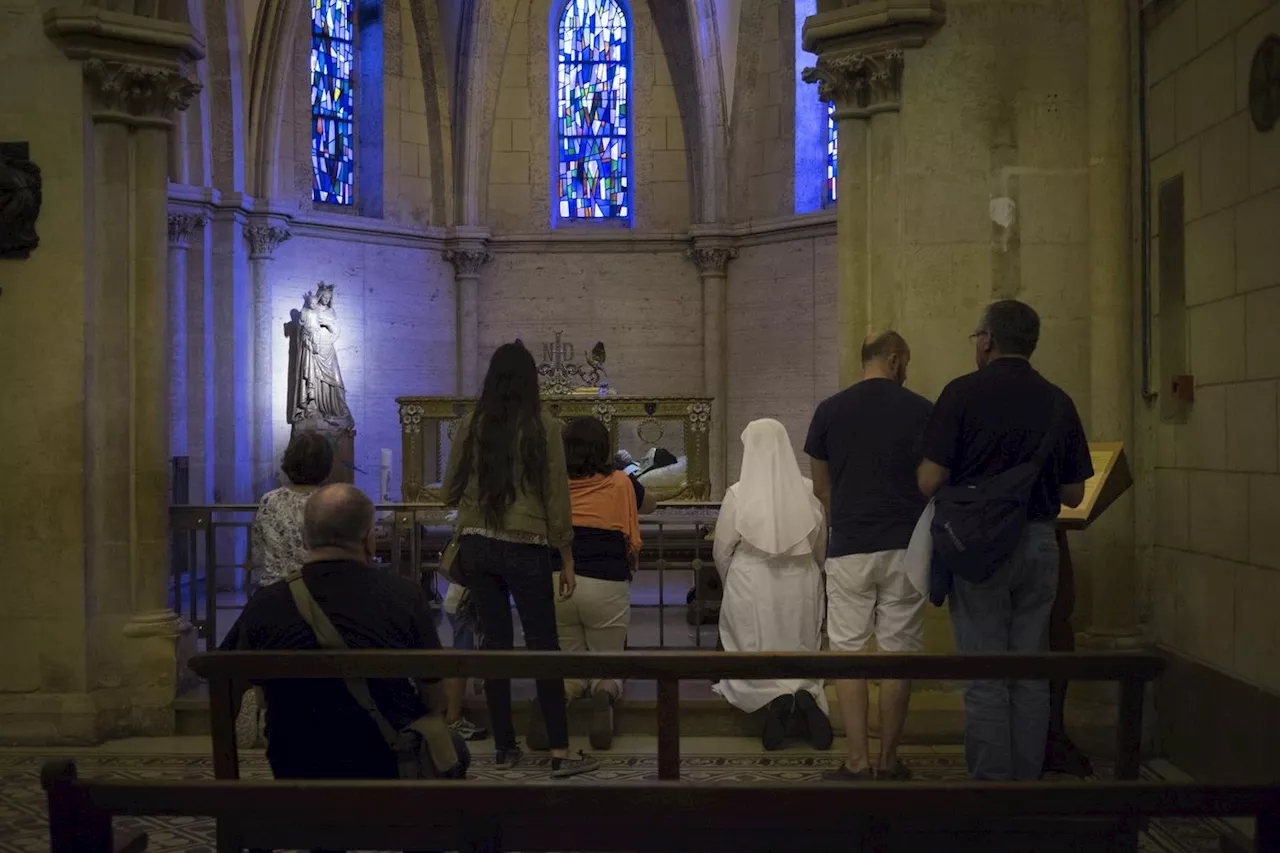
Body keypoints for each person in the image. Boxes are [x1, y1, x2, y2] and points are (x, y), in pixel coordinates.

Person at [918, 300, 1093, 782]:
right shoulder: (1058, 400)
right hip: (1040, 541)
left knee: (985, 672)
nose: (976, 343)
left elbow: (930, 480)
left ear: (989, 339)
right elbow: (1075, 493)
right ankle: (1027, 787)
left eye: (977, 335)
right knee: (1031, 671)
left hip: (979, 549)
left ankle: (994, 793)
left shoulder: (961, 394)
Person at [221, 484, 469, 784]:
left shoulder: (266, 603)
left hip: (295, 763)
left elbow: (228, 684)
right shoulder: (403, 597)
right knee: (454, 749)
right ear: (369, 539)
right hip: (387, 765)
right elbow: (434, 696)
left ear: (304, 537)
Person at [442, 342, 598, 778]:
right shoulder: (544, 425)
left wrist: (471, 500)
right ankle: (561, 751)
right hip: (527, 543)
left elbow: (449, 487)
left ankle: (505, 748)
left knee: (495, 645)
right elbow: (556, 495)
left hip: (478, 544)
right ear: (532, 380)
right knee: (544, 646)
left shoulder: (472, 424)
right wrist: (565, 553)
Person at [805, 331, 932, 782]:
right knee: (898, 655)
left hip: (850, 546)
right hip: (907, 546)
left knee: (849, 653)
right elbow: (931, 479)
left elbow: (821, 488)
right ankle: (887, 761)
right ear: (895, 360)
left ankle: (856, 761)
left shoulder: (829, 411)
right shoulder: (921, 410)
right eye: (908, 360)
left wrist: (851, 519)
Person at [713, 419, 831, 751]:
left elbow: (722, 550)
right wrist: (812, 572)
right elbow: (820, 544)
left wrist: (731, 581)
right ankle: (804, 690)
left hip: (751, 580)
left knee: (754, 646)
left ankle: (771, 695)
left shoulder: (737, 493)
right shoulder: (809, 491)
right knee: (800, 643)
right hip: (801, 580)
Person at [530, 417, 642, 751]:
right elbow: (634, 529)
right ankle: (604, 693)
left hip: (556, 579)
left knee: (568, 659)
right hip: (605, 581)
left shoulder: (550, 482)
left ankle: (554, 699)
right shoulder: (621, 483)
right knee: (609, 660)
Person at [249, 432, 334, 596]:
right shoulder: (332, 502)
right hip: (320, 594)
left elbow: (259, 554)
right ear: (327, 466)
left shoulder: (270, 501)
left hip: (275, 594)